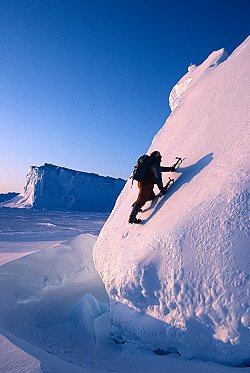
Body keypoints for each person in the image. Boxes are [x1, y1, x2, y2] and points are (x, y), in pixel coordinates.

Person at [129, 151, 175, 224]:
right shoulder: (154, 165)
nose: (161, 159)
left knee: (151, 196)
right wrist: (162, 189)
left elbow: (160, 169)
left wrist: (170, 169)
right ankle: (132, 218)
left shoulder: (152, 164)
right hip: (146, 184)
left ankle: (136, 206)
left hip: (143, 183)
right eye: (160, 157)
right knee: (141, 200)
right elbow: (158, 178)